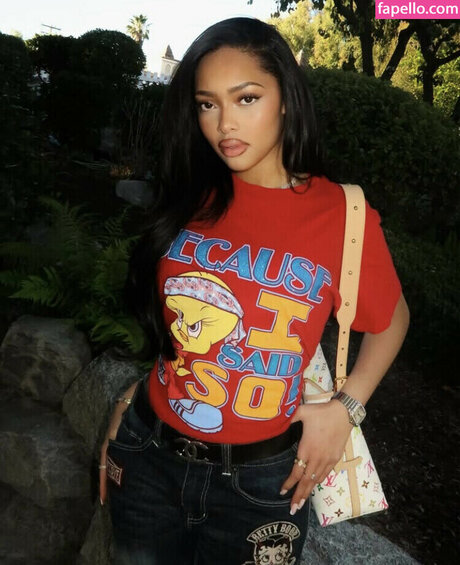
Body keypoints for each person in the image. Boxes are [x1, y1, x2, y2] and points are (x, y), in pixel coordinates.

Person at [99, 17, 410, 565]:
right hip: (148, 454)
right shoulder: (191, 194)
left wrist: (346, 409)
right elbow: (182, 332)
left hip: (262, 484)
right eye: (207, 104)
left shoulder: (340, 214)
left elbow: (392, 319)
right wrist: (130, 398)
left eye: (246, 98)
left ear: (286, 98)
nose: (224, 124)